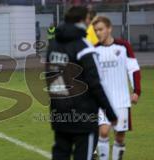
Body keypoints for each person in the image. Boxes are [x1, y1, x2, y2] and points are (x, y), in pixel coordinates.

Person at [45, 6, 117, 160]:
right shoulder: (84, 47)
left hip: (59, 113)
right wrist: (110, 113)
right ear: (84, 20)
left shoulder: (53, 46)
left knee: (60, 153)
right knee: (84, 155)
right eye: (89, 20)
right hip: (84, 115)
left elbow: (50, 77)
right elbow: (96, 83)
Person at [92, 16, 141, 160]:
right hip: (102, 101)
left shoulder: (124, 46)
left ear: (109, 29)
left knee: (119, 137)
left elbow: (133, 69)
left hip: (122, 101)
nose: (98, 33)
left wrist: (136, 91)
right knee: (104, 131)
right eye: (96, 31)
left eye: (100, 29)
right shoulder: (94, 50)